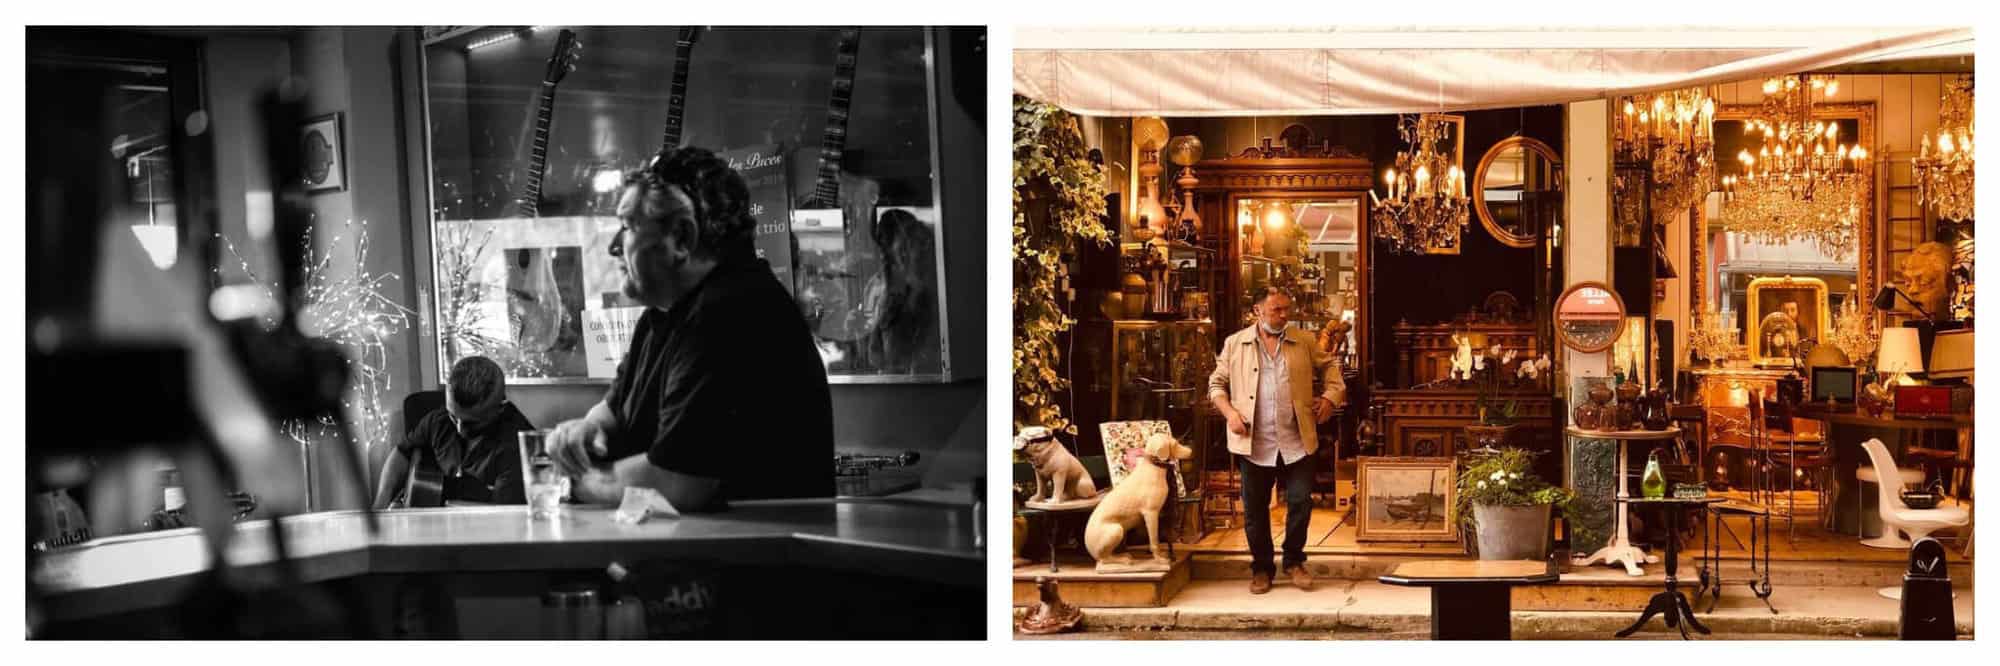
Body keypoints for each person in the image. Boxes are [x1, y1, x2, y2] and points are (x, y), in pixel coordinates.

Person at [546, 146, 834, 511]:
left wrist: (574, 479)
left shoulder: (731, 312)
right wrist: (584, 433)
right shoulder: (664, 314)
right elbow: (615, 411)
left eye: (629, 226)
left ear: (681, 239)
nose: (614, 246)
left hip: (752, 562)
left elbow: (676, 484)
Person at [1207, 287, 1346, 594]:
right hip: (1254, 442)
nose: (1284, 315)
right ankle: (1261, 568)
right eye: (1276, 310)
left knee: (1300, 502)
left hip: (1297, 439)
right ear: (1257, 311)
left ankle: (1294, 561)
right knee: (1255, 509)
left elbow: (1331, 366)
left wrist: (1330, 397)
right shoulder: (1236, 344)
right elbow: (1216, 384)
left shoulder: (1304, 340)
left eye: (1286, 309)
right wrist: (1229, 413)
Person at [372, 356, 534, 508]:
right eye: (453, 417)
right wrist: (380, 504)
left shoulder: (519, 448)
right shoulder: (438, 420)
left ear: (500, 408)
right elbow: (402, 452)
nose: (459, 429)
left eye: (472, 423)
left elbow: (503, 517)